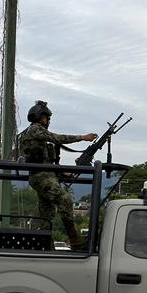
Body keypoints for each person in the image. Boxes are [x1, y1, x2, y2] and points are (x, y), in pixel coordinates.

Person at [16, 100, 97, 250]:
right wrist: (82, 137)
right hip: (42, 176)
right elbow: (57, 138)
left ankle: (45, 243)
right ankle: (74, 240)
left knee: (47, 213)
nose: (48, 121)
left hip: (43, 175)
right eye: (47, 118)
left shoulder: (32, 133)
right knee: (64, 199)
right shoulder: (35, 129)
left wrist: (60, 172)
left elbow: (45, 160)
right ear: (41, 117)